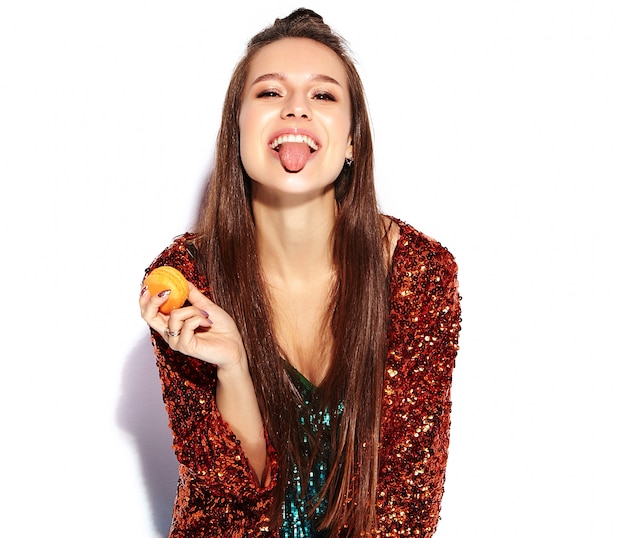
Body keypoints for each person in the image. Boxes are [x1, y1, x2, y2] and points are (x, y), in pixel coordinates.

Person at [139, 8, 461, 537]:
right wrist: (233, 368)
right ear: (235, 131)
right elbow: (225, 508)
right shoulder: (187, 282)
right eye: (269, 93)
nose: (295, 109)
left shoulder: (420, 273)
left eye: (323, 95)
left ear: (353, 139)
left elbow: (409, 498)